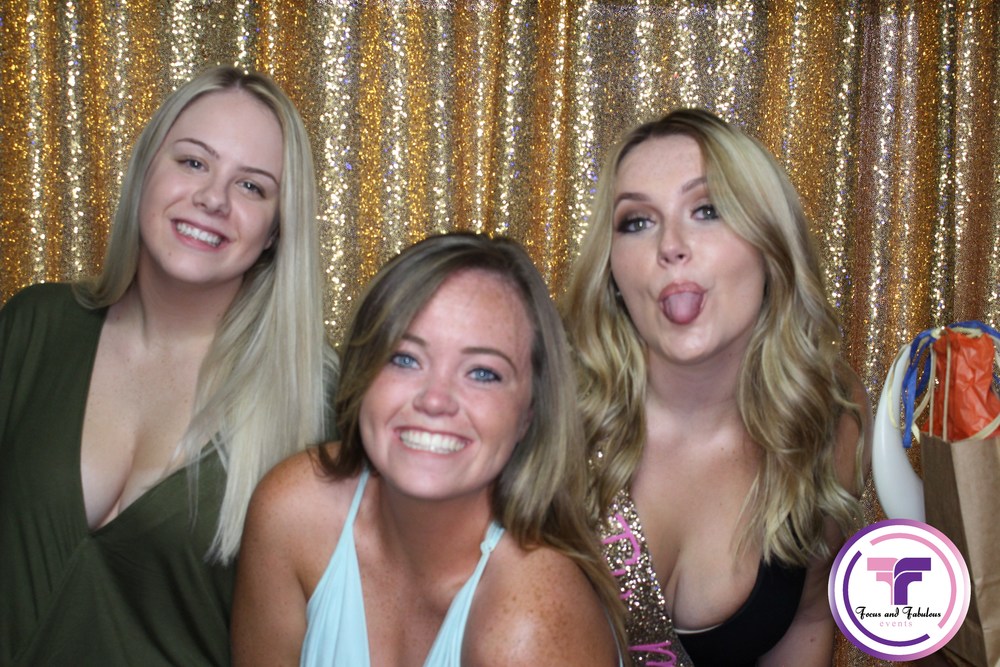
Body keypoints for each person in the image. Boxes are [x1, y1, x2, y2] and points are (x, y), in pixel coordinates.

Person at [0, 66, 336, 665]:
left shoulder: (315, 400)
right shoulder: (32, 327)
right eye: (193, 162)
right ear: (145, 172)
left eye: (252, 186)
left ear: (274, 233)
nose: (213, 199)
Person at [563, 109, 872, 667]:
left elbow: (806, 619)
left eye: (707, 210)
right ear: (612, 270)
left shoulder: (825, 415)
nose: (671, 245)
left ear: (770, 244)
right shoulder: (549, 415)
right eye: (637, 221)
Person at [232, 232, 626, 667]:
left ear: (529, 413)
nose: (435, 400)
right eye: (405, 359)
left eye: (482, 373)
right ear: (363, 375)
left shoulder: (533, 626)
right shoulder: (293, 510)